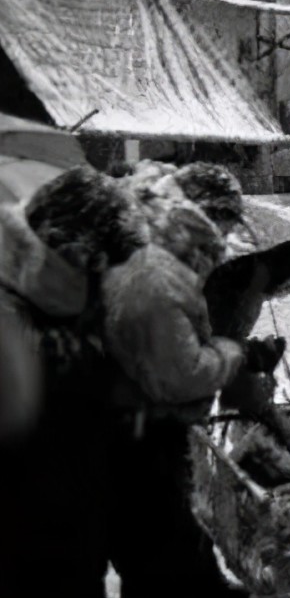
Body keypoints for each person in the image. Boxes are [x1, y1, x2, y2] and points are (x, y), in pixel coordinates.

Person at [101, 161, 249, 598]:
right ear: (205, 215)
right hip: (132, 440)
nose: (225, 238)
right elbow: (181, 376)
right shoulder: (156, 274)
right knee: (163, 564)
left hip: (136, 433)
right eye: (224, 223)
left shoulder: (158, 252)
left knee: (170, 557)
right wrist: (232, 353)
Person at [0, 166, 146, 598]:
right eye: (105, 271)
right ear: (81, 258)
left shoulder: (52, 307)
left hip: (71, 542)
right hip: (36, 556)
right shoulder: (31, 333)